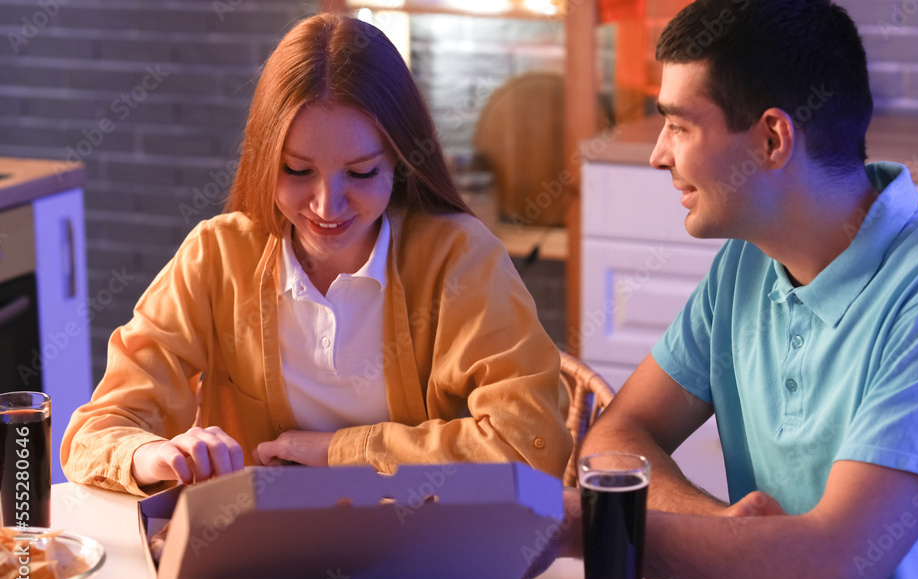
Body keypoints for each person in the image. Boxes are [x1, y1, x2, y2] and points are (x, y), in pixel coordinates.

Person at [535, 1, 918, 579]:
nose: (657, 154)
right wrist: (719, 525)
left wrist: (590, 528)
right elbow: (616, 435)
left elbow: (834, 567)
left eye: (678, 125)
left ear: (773, 140)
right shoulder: (745, 265)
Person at [61, 14, 572, 496]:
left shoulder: (460, 259)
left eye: (361, 172)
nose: (327, 206)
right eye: (298, 171)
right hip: (258, 557)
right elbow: (95, 431)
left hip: (418, 550)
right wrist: (153, 453)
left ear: (399, 159)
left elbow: (531, 449)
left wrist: (340, 452)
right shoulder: (217, 256)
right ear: (265, 159)